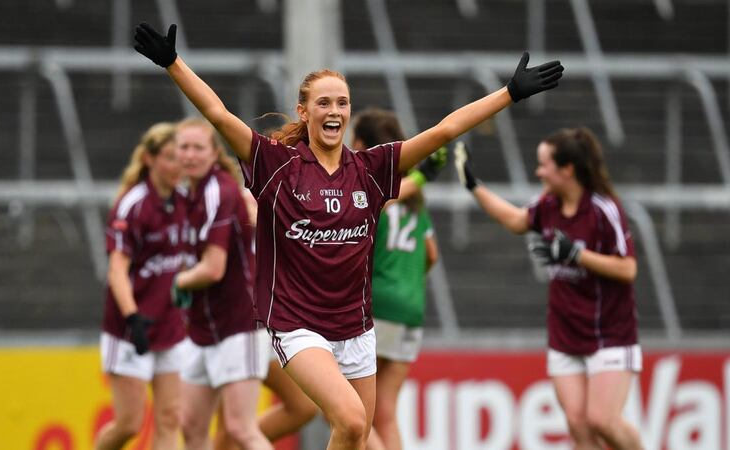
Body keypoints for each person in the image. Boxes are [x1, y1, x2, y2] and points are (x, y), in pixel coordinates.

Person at [134, 22, 563, 449]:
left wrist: (509, 93)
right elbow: (218, 114)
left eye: (342, 102)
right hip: (297, 325)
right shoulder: (277, 165)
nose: (334, 111)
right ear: (304, 112)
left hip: (356, 329)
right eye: (323, 103)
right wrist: (173, 63)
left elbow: (443, 131)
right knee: (353, 421)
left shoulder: (371, 170)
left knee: (356, 439)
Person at [455, 128, 643, 450]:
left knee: (602, 421)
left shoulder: (602, 209)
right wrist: (474, 186)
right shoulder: (548, 205)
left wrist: (577, 255)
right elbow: (516, 221)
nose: (538, 171)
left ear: (567, 170)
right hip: (565, 335)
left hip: (609, 335)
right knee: (579, 428)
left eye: (544, 164)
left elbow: (628, 268)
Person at [171, 118, 272, 450]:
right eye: (183, 147)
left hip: (238, 325)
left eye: (198, 147)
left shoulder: (220, 191)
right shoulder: (187, 193)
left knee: (241, 428)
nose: (190, 154)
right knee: (191, 426)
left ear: (214, 152)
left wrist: (175, 282)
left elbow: (213, 269)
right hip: (203, 328)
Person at [96, 122, 191, 450]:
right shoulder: (133, 204)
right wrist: (133, 317)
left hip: (169, 327)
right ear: (150, 160)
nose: (177, 164)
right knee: (129, 424)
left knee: (169, 418)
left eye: (180, 157)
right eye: (169, 157)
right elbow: (117, 270)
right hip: (130, 330)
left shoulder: (184, 201)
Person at [351, 108, 441, 450]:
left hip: (380, 307)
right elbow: (430, 254)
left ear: (360, 143)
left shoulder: (371, 188)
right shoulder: (415, 197)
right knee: (385, 413)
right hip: (412, 309)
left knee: (349, 407)